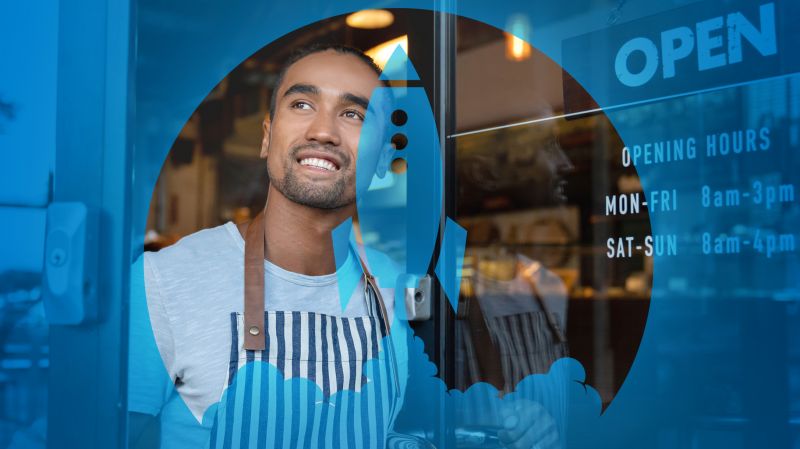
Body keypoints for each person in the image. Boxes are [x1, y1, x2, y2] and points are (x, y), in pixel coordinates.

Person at [128, 43, 550, 449]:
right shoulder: (164, 281)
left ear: (383, 159)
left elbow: (415, 420)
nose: (324, 131)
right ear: (266, 136)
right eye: (302, 105)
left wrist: (518, 421)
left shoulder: (396, 286)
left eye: (353, 114)